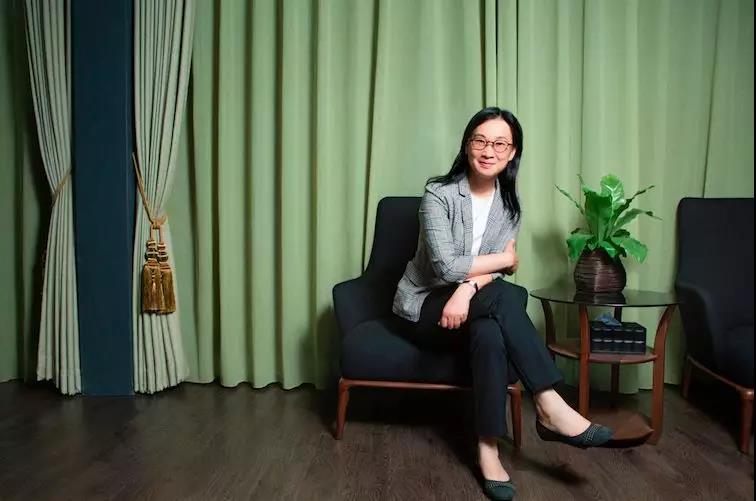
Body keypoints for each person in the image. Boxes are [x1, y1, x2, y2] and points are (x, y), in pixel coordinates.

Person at [392, 107, 613, 501]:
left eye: (499, 143)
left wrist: (466, 290)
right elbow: (446, 266)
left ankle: (488, 448)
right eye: (480, 140)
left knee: (491, 333)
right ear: (467, 145)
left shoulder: (510, 204)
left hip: (472, 304)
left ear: (512, 153)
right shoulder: (438, 194)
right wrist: (505, 260)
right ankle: (549, 404)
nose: (488, 150)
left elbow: (484, 276)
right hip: (426, 307)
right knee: (509, 296)